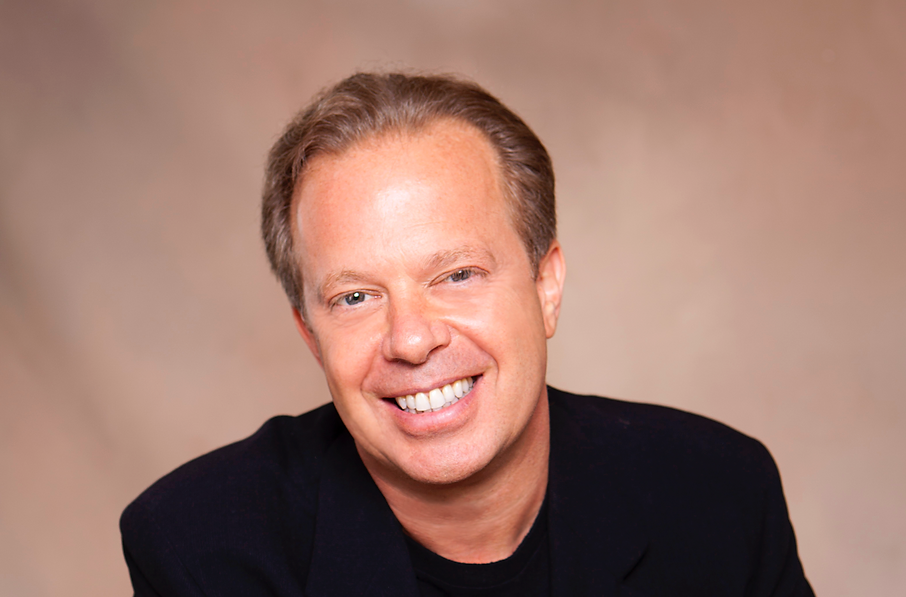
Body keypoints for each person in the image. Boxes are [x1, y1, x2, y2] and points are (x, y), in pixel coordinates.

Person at [121, 72, 815, 596]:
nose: (411, 340)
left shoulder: (719, 495)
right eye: (355, 297)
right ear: (311, 335)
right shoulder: (201, 550)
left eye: (457, 274)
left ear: (546, 287)